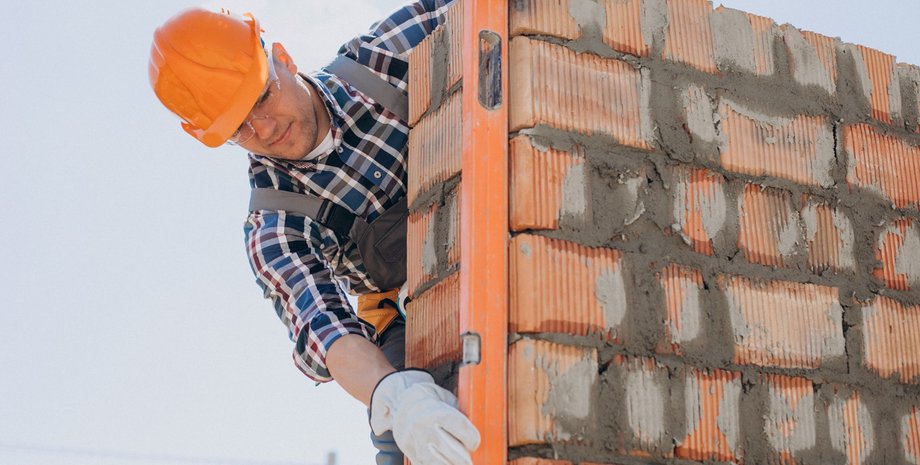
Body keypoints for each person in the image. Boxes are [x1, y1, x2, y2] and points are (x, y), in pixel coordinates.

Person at [147, 3, 480, 464]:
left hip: (489, 221)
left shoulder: (386, 60)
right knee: (403, 444)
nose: (264, 129)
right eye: (236, 128)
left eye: (261, 97)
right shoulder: (276, 223)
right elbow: (328, 330)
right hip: (410, 313)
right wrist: (398, 397)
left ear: (281, 57)